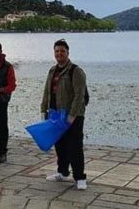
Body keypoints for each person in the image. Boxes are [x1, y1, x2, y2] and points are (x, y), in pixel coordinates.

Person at [41, 39, 88, 190]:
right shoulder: (52, 70)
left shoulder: (76, 71)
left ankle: (80, 177)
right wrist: (44, 110)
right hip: (55, 114)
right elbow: (47, 92)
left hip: (73, 116)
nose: (59, 54)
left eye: (62, 51)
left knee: (75, 146)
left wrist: (72, 116)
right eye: (57, 51)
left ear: (68, 53)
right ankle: (62, 172)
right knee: (60, 146)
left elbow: (79, 95)